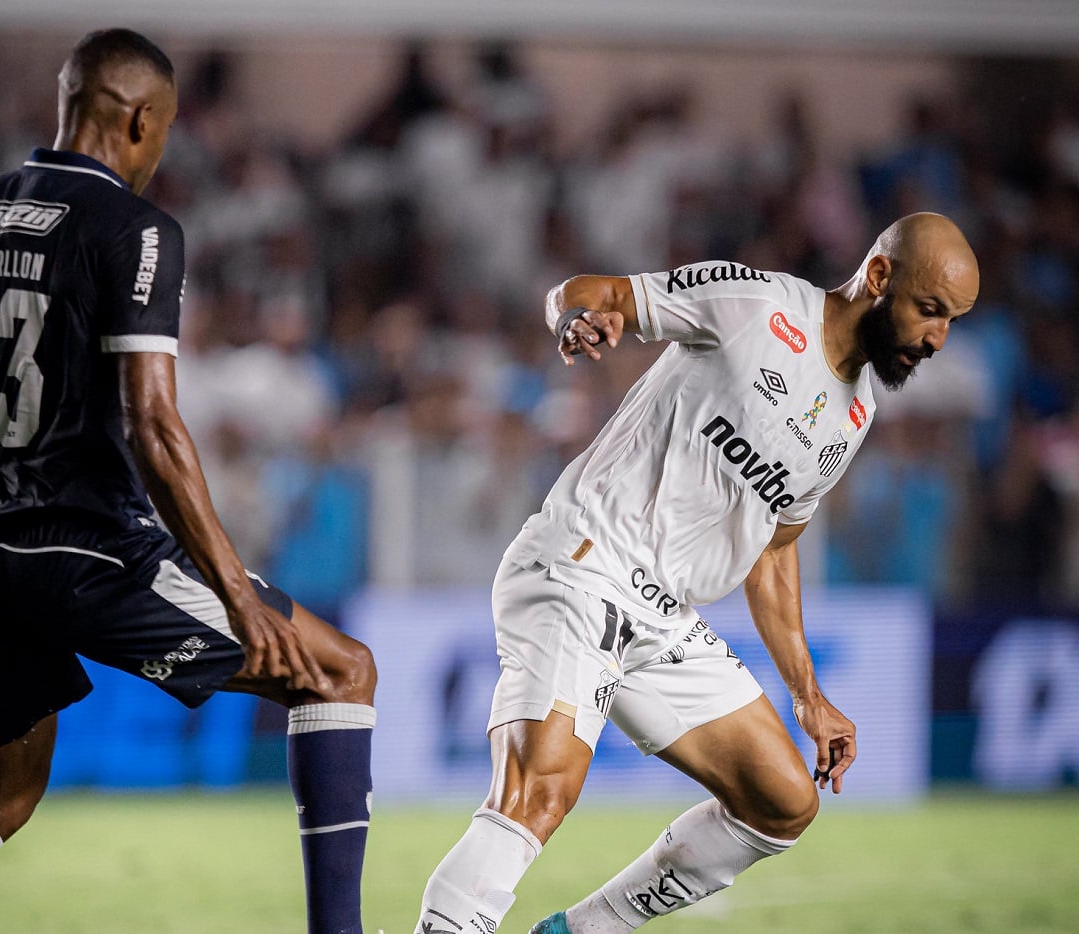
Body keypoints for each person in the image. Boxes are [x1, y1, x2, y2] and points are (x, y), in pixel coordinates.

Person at [0, 29, 376, 934]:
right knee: (341, 674)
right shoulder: (135, 231)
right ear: (143, 118)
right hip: (97, 555)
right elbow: (154, 424)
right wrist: (240, 597)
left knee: (1, 796)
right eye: (167, 129)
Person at [414, 212, 979, 933]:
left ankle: (578, 932)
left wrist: (809, 697)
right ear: (878, 277)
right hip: (582, 566)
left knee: (781, 801)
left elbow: (774, 549)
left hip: (661, 618)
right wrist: (578, 320)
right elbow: (588, 291)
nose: (937, 338)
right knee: (538, 793)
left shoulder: (858, 409)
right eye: (930, 310)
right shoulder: (759, 305)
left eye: (952, 321)